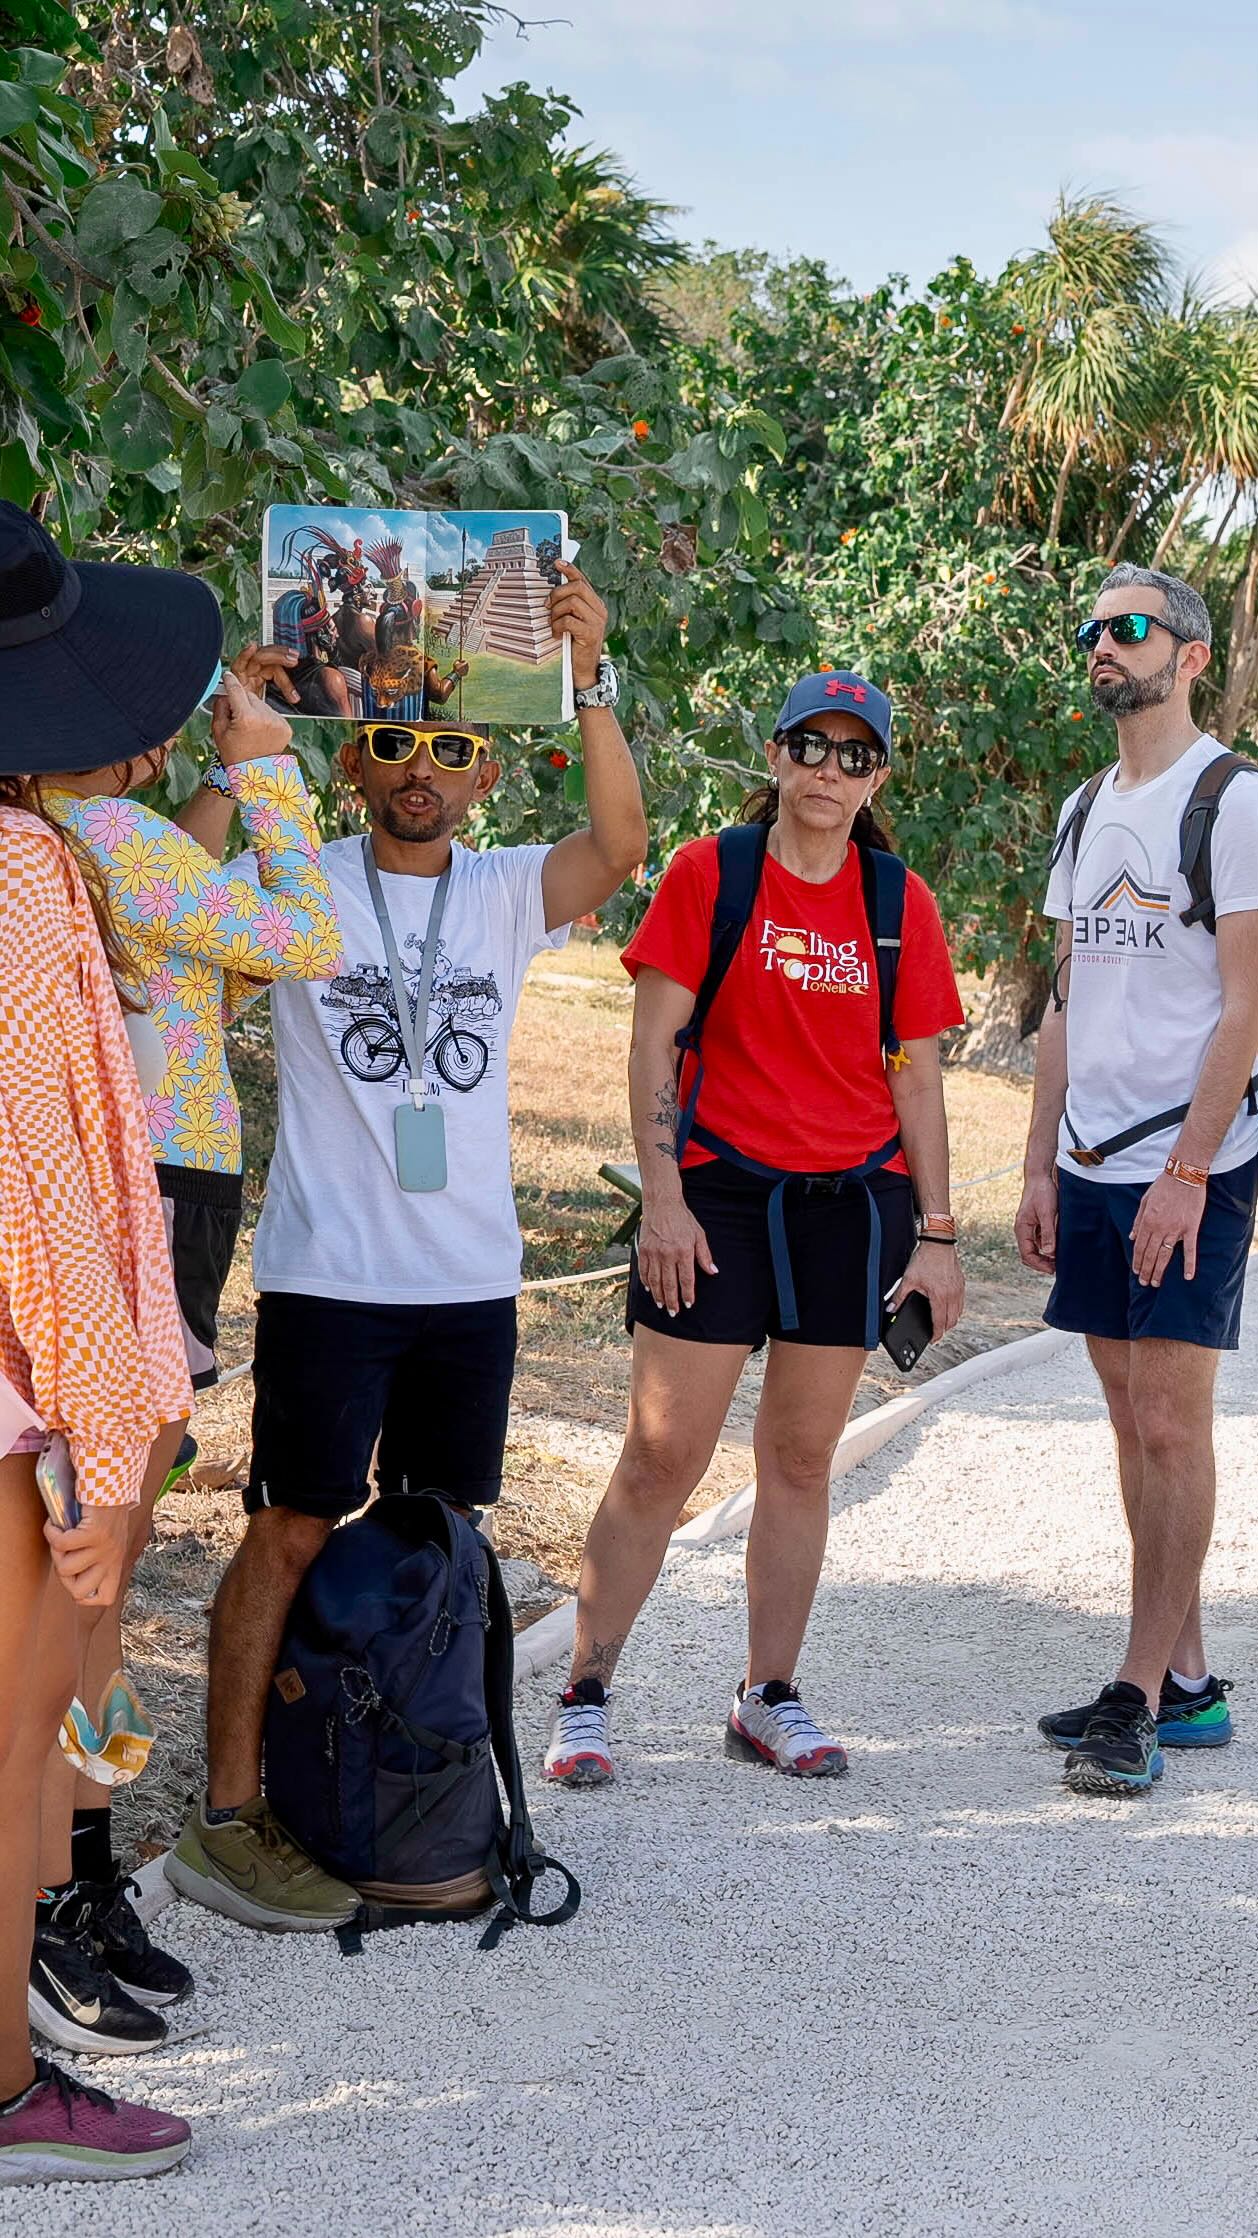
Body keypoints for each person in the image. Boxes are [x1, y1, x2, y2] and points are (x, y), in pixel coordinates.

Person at [169, 561, 648, 1929]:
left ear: (484, 773)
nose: (420, 766)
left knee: (439, 1538)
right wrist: (230, 745)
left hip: (467, 1282)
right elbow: (175, 890)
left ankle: (413, 1793)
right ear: (356, 761)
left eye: (449, 745)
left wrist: (591, 676)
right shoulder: (303, 878)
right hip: (332, 1275)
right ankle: (224, 1814)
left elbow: (618, 841)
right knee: (293, 1531)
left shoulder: (503, 889)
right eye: (391, 741)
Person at [544, 669, 966, 1789]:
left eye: (854, 754)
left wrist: (937, 1234)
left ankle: (766, 1693)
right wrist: (664, 1196)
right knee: (662, 1454)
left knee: (798, 1458)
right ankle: (585, 1693)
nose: (829, 771)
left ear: (876, 775)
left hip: (848, 1208)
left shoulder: (896, 902)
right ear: (776, 757)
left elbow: (917, 1082)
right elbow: (650, 1048)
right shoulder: (709, 874)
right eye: (810, 747)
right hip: (718, 1198)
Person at [28, 645, 343, 2050]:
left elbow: (174, 906)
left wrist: (207, 781)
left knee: (85, 1589)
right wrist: (270, 768)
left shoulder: (82, 839)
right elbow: (302, 933)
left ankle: (75, 1878)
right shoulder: (108, 844)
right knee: (86, 1597)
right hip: (157, 1195)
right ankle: (54, 1893)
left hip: (145, 1186)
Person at [0, 498, 205, 2180]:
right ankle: (9, 2083)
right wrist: (101, 1444)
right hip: (14, 1381)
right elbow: (47, 1183)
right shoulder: (21, 873)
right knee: (12, 1742)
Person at [1016, 564, 1258, 1798]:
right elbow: (1067, 999)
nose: (1103, 647)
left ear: (1191, 654)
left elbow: (1246, 1011)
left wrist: (1186, 1172)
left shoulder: (1232, 800)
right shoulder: (1080, 807)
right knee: (1127, 1419)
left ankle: (1135, 1695)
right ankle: (1192, 1686)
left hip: (1187, 1162)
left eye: (1129, 628)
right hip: (1092, 1163)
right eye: (1092, 631)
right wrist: (1038, 1161)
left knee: (1169, 1420)